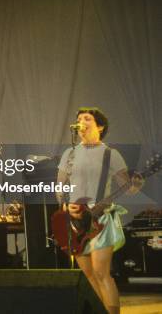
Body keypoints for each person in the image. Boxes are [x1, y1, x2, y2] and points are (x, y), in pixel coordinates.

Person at [56, 107, 142, 314]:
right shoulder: (70, 153)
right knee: (88, 274)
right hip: (76, 218)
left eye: (87, 118)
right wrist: (66, 206)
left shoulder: (110, 154)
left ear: (100, 126)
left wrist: (137, 183)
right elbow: (59, 186)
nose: (81, 122)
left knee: (101, 272)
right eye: (78, 119)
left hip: (100, 216)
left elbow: (128, 188)